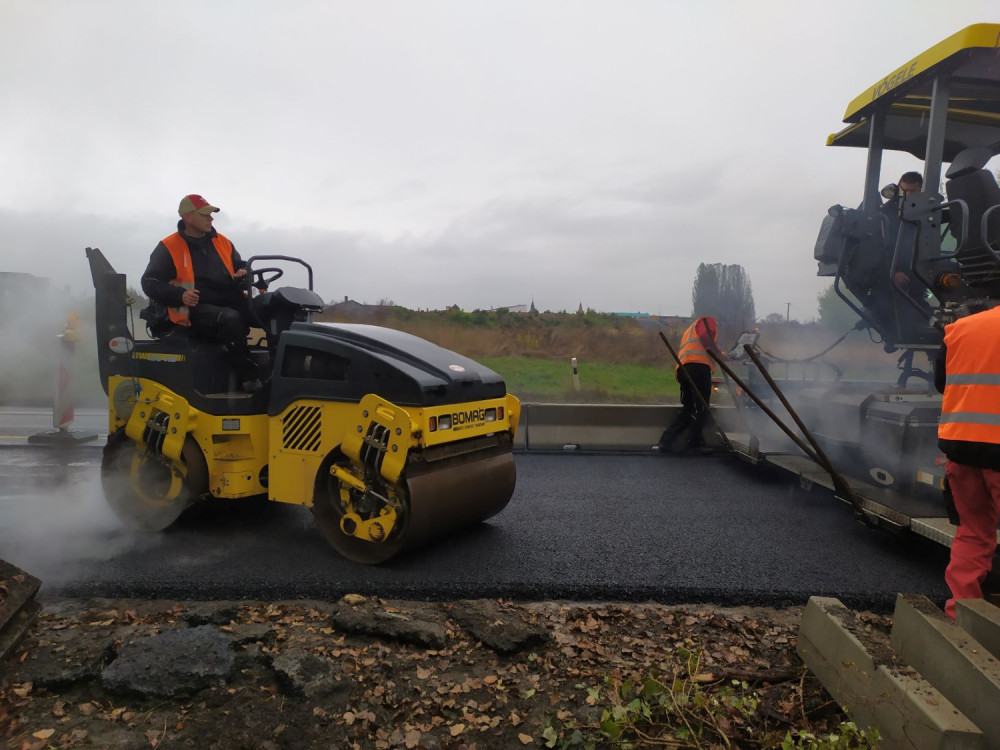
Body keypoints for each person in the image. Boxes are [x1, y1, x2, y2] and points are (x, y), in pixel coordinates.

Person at [141, 194, 262, 393]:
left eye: (211, 214)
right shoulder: (168, 247)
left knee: (272, 307)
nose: (211, 218)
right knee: (231, 319)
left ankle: (287, 371)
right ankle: (248, 377)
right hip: (194, 310)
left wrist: (243, 273)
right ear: (187, 217)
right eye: (205, 214)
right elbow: (150, 282)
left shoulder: (223, 242)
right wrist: (179, 295)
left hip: (229, 300)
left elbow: (240, 265)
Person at [934, 303, 1000, 620]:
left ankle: (961, 616)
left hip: (962, 450)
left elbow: (941, 382)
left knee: (972, 534)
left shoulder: (960, 328)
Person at [658, 316, 723, 455]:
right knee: (702, 408)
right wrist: (719, 353)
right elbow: (706, 337)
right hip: (698, 367)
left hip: (684, 368)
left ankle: (666, 441)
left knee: (689, 408)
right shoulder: (708, 320)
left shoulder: (691, 328)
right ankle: (694, 443)